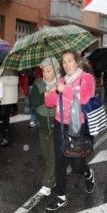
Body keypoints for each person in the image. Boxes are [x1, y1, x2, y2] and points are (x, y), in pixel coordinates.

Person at [44, 50, 96, 211]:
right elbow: (49, 103)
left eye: (70, 61)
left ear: (77, 62)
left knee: (77, 165)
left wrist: (64, 89)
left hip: (77, 127)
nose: (67, 65)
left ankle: (87, 173)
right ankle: (61, 197)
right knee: (60, 162)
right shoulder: (61, 80)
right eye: (64, 62)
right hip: (60, 125)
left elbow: (86, 97)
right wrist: (50, 93)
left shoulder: (86, 78)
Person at [29, 57, 60, 196]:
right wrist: (45, 94)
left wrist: (57, 92)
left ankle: (47, 182)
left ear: (56, 70)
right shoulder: (38, 83)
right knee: (46, 154)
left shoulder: (61, 84)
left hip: (56, 124)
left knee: (53, 154)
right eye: (44, 71)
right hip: (42, 126)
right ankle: (53, 175)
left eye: (49, 70)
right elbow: (33, 101)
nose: (46, 74)